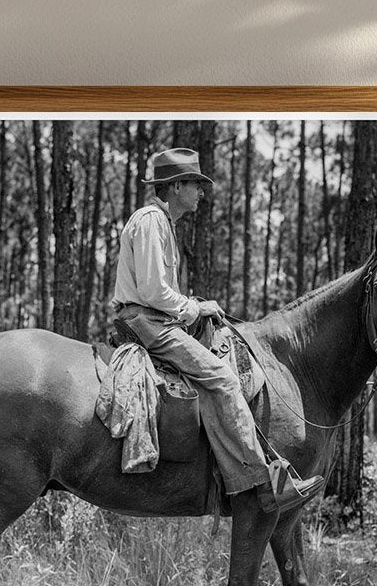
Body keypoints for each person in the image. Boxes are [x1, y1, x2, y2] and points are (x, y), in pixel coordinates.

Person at [111, 147, 326, 514]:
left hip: (155, 319)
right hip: (147, 324)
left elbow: (158, 290)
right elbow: (151, 291)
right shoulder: (150, 221)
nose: (201, 192)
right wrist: (195, 307)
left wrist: (193, 306)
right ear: (176, 186)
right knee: (222, 378)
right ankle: (265, 483)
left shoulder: (162, 224)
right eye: (195, 184)